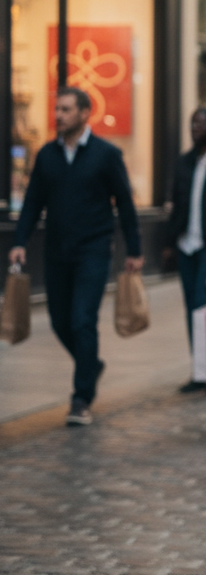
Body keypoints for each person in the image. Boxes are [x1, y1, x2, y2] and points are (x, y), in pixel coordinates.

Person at [8, 86, 143, 426]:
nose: (58, 116)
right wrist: (20, 241)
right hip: (56, 251)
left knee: (83, 319)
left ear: (85, 113)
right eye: (56, 109)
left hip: (94, 250)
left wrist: (136, 250)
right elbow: (33, 202)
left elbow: (125, 203)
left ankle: (81, 397)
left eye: (66, 110)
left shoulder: (106, 154)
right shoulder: (47, 155)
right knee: (59, 321)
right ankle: (91, 365)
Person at [166, 104, 206, 394]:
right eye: (192, 124)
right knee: (192, 309)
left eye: (201, 124)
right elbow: (176, 204)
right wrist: (168, 243)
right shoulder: (184, 162)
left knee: (205, 307)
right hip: (186, 245)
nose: (195, 129)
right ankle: (200, 370)